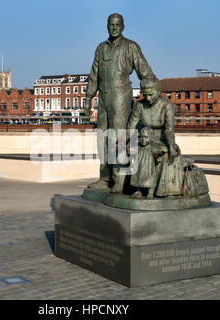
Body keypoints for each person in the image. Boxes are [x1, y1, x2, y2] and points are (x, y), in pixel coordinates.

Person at [84, 13, 160, 193]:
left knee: (119, 140)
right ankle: (105, 178)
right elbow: (94, 76)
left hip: (121, 98)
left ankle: (120, 181)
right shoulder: (100, 48)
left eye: (117, 25)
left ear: (123, 27)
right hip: (103, 100)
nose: (114, 27)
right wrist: (88, 98)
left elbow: (145, 72)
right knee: (103, 139)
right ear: (107, 26)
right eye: (111, 25)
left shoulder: (131, 47)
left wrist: (155, 92)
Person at [127, 79, 183, 197]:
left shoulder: (166, 105)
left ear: (158, 92)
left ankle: (157, 189)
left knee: (164, 154)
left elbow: (169, 129)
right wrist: (123, 143)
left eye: (150, 95)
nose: (147, 98)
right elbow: (131, 127)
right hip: (144, 138)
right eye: (145, 95)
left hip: (161, 139)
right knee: (139, 152)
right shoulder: (139, 105)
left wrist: (171, 144)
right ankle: (139, 188)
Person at [130, 126, 168, 199]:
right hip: (138, 166)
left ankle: (150, 192)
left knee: (150, 179)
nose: (143, 139)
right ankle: (138, 191)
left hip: (148, 167)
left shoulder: (152, 147)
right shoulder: (139, 146)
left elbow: (156, 152)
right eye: (141, 137)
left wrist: (160, 153)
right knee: (137, 177)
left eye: (145, 137)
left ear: (151, 138)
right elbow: (132, 150)